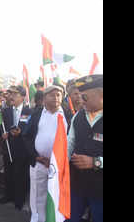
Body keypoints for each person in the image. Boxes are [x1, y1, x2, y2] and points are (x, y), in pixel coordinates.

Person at [22, 85, 72, 222]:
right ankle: (37, 219)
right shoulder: (37, 113)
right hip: (38, 162)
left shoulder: (67, 114)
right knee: (37, 196)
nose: (56, 98)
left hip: (58, 166)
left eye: (59, 95)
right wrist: (35, 156)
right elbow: (26, 136)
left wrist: (57, 160)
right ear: (44, 98)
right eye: (52, 95)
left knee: (55, 195)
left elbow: (72, 140)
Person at [66, 75, 103, 222]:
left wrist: (95, 162)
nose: (80, 101)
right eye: (80, 96)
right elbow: (70, 144)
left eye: (85, 97)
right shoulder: (78, 117)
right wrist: (57, 162)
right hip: (78, 185)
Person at [0, 85, 32, 210]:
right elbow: (1, 127)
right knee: (8, 173)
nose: (11, 96)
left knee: (20, 175)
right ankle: (8, 195)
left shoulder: (29, 112)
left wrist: (21, 133)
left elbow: (31, 130)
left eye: (15, 94)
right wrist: (4, 134)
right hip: (8, 148)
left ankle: (19, 198)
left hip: (22, 149)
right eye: (10, 94)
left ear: (23, 97)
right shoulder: (5, 111)